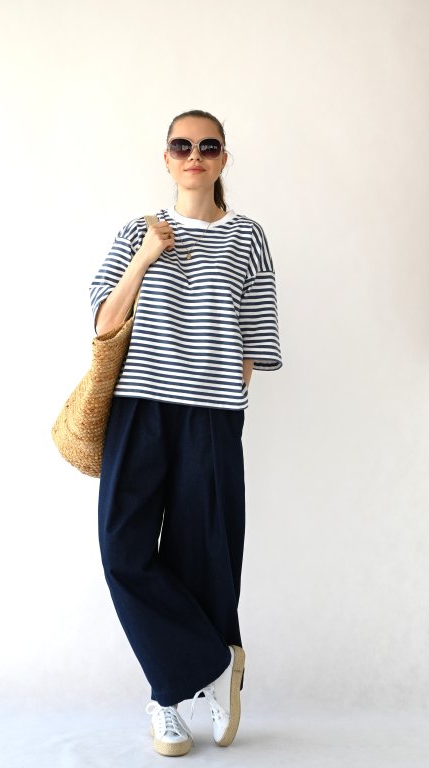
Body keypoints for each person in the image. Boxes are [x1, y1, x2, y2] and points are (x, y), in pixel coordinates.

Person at [89, 109, 282, 757]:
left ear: (223, 158)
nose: (194, 154)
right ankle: (213, 662)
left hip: (212, 414)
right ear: (166, 157)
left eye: (208, 145)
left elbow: (255, 336)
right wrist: (148, 254)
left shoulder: (248, 236)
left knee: (205, 552)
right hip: (139, 407)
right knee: (123, 550)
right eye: (181, 145)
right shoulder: (138, 230)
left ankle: (167, 700)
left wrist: (225, 395)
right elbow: (104, 321)